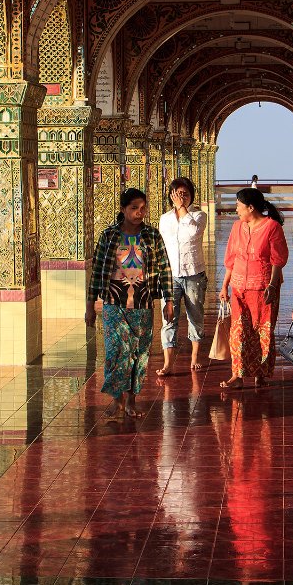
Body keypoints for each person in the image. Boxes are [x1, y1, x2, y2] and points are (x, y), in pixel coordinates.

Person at [85, 188, 173, 418]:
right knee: (116, 351)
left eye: (143, 208)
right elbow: (97, 272)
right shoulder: (109, 236)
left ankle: (132, 400)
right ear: (123, 209)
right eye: (134, 208)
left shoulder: (152, 236)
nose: (139, 212)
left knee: (139, 352)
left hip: (142, 303)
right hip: (113, 302)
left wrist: (169, 300)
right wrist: (90, 305)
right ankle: (117, 400)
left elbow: (164, 269)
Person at [218, 187, 289, 389]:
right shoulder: (236, 227)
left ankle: (260, 374)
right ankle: (237, 374)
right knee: (238, 331)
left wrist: (273, 286)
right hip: (238, 288)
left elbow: (278, 260)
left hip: (263, 288)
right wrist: (224, 285)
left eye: (239, 206)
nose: (236, 210)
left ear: (251, 207)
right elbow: (231, 260)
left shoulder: (272, 227)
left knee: (262, 331)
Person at [157, 177, 208, 375]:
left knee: (195, 316)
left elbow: (193, 233)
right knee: (169, 319)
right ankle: (168, 363)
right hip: (171, 276)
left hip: (194, 273)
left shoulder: (198, 216)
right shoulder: (165, 219)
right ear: (170, 196)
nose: (181, 197)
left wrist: (182, 209)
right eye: (177, 194)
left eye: (185, 194)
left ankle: (195, 357)